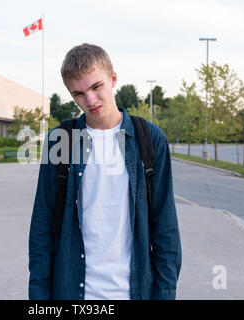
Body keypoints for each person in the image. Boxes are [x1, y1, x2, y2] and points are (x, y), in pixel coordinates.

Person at [28, 43, 181, 300]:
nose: (89, 100)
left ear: (113, 79)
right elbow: (42, 228)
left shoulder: (149, 138)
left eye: (96, 87)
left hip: (134, 291)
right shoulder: (61, 140)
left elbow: (165, 227)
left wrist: (165, 294)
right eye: (78, 94)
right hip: (73, 292)